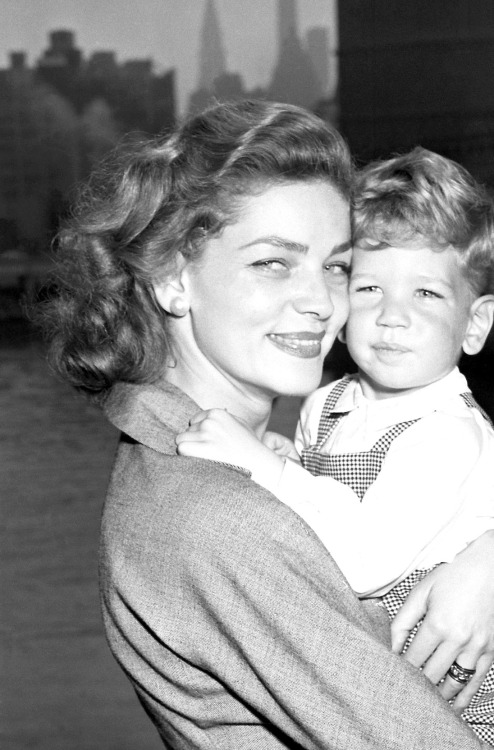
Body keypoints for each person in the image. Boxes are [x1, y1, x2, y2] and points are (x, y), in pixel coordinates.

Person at [38, 100, 494, 749]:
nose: (321, 303)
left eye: (337, 266)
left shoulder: (186, 451)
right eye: (273, 263)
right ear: (172, 279)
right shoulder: (226, 519)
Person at [177, 147, 494, 743]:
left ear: (474, 325)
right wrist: (289, 457)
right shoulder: (330, 403)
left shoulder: (447, 432)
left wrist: (265, 466)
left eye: (426, 294)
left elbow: (364, 561)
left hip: (466, 693)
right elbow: (320, 497)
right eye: (370, 287)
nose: (392, 316)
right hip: (386, 672)